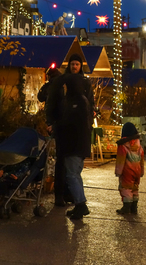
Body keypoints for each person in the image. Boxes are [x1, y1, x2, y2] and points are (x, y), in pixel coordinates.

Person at [46, 54, 94, 220]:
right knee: (72, 171)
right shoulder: (75, 94)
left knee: (72, 172)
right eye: (72, 64)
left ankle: (79, 203)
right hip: (77, 139)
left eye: (77, 64)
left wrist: (54, 124)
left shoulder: (76, 99)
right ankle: (72, 199)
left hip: (71, 139)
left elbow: (67, 116)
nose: (75, 67)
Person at [115, 122, 145, 215]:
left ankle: (126, 207)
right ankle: (134, 206)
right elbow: (142, 159)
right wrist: (142, 171)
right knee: (135, 187)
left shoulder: (123, 145)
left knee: (126, 188)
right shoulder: (138, 145)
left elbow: (121, 160)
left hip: (127, 171)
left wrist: (118, 171)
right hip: (137, 170)